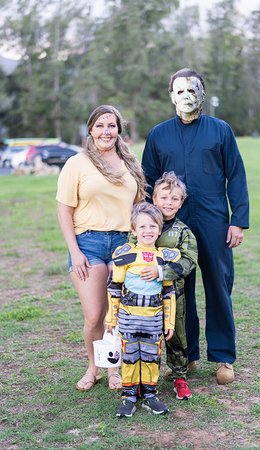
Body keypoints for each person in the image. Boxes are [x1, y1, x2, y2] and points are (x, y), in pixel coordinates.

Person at [142, 68, 249, 385]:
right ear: (171, 95)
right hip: (172, 222)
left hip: (214, 219)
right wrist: (150, 223)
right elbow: (147, 181)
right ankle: (184, 357)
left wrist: (238, 221)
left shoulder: (220, 130)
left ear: (202, 94)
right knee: (177, 290)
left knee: (218, 286)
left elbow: (237, 175)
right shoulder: (159, 135)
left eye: (193, 90)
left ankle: (223, 357)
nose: (186, 96)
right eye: (180, 91)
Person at [56, 105, 146, 392]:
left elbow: (139, 207)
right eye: (100, 126)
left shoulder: (129, 162)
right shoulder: (77, 163)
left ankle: (113, 370)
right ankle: (93, 368)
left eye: (111, 125)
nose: (106, 131)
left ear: (119, 129)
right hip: (88, 244)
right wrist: (76, 251)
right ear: (91, 130)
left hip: (122, 245)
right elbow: (64, 210)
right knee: (94, 315)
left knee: (116, 313)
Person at [106, 202, 180, 417]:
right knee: (130, 357)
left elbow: (169, 292)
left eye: (152, 226)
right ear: (133, 230)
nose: (148, 231)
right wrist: (111, 318)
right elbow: (114, 287)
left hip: (154, 318)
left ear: (159, 229)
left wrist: (169, 322)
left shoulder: (165, 258)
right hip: (129, 317)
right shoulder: (125, 255)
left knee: (151, 357)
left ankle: (150, 395)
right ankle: (128, 397)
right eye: (142, 227)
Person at [129, 172, 198, 400]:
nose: (169, 203)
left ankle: (180, 377)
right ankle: (146, 381)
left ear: (181, 202)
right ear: (154, 199)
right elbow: (130, 253)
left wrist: (162, 272)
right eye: (164, 197)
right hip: (142, 298)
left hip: (172, 296)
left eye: (175, 199)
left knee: (176, 336)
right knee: (146, 337)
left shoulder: (183, 232)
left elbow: (189, 261)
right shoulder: (142, 224)